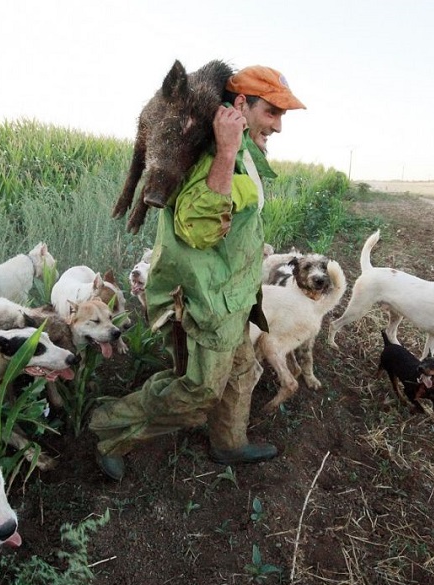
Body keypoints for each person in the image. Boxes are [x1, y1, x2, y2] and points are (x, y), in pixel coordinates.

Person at [89, 65, 306, 481]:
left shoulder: (244, 150)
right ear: (240, 105)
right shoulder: (210, 154)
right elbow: (198, 229)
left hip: (235, 292)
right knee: (198, 390)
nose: (278, 126)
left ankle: (230, 443)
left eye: (283, 116)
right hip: (205, 299)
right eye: (272, 113)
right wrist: (225, 153)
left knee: (241, 371)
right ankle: (109, 430)